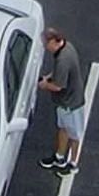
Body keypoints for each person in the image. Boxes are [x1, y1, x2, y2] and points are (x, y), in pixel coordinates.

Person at [37, 26, 87, 174]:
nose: (46, 48)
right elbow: (60, 73)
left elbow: (58, 86)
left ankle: (73, 163)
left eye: (46, 44)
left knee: (75, 134)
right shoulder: (66, 47)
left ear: (53, 41)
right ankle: (59, 157)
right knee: (63, 128)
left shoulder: (63, 59)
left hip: (71, 104)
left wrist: (45, 85)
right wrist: (50, 76)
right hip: (64, 103)